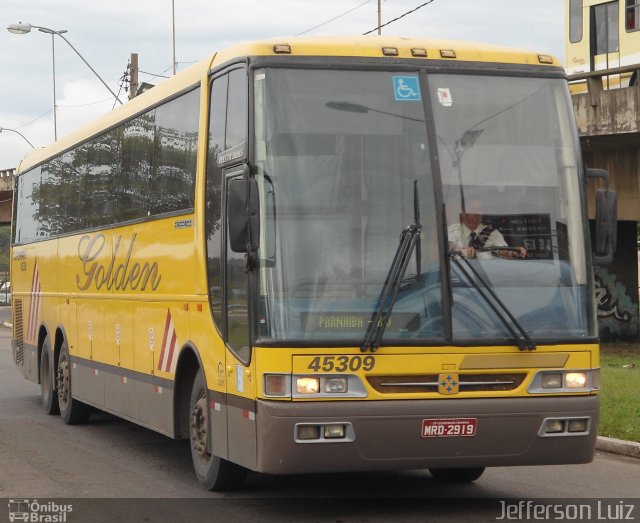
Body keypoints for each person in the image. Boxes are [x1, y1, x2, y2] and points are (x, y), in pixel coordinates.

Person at [448, 198, 527, 259]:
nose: (477, 213)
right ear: (464, 213)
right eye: (473, 209)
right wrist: (462, 251)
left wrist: (513, 252)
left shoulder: (492, 233)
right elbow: (450, 247)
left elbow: (503, 250)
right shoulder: (453, 231)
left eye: (479, 209)